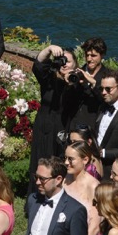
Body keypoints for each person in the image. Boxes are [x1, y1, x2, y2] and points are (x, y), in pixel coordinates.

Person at [30, 45, 85, 190]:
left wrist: (72, 82)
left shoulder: (77, 81)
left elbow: (78, 97)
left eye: (69, 61)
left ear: (75, 65)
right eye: (62, 60)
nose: (65, 64)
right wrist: (48, 49)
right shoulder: (49, 79)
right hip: (44, 125)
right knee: (40, 158)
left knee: (58, 160)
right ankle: (37, 192)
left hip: (62, 126)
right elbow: (38, 66)